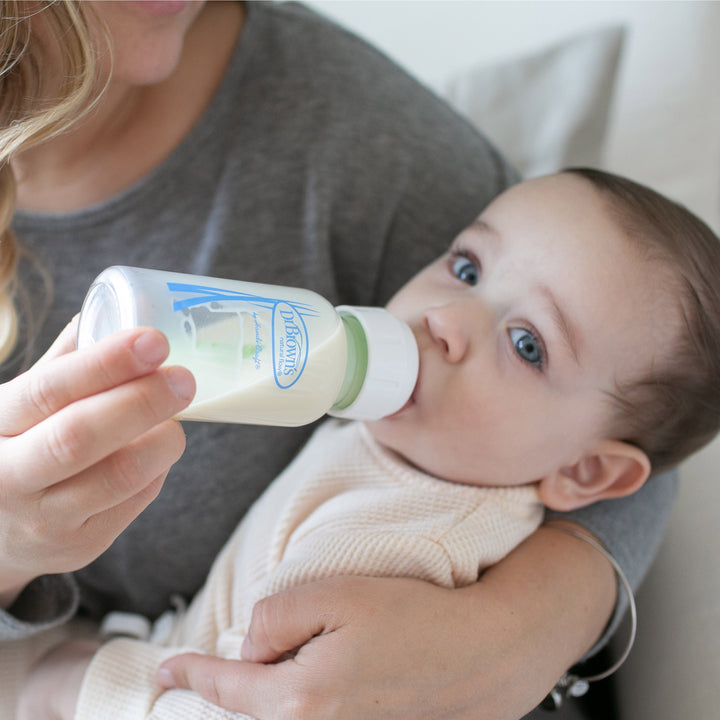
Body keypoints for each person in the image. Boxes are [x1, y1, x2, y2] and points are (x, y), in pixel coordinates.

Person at [0, 2, 679, 719]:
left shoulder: (347, 128)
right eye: (466, 269)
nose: (446, 320)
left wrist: (520, 626)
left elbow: (644, 405)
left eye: (525, 343)